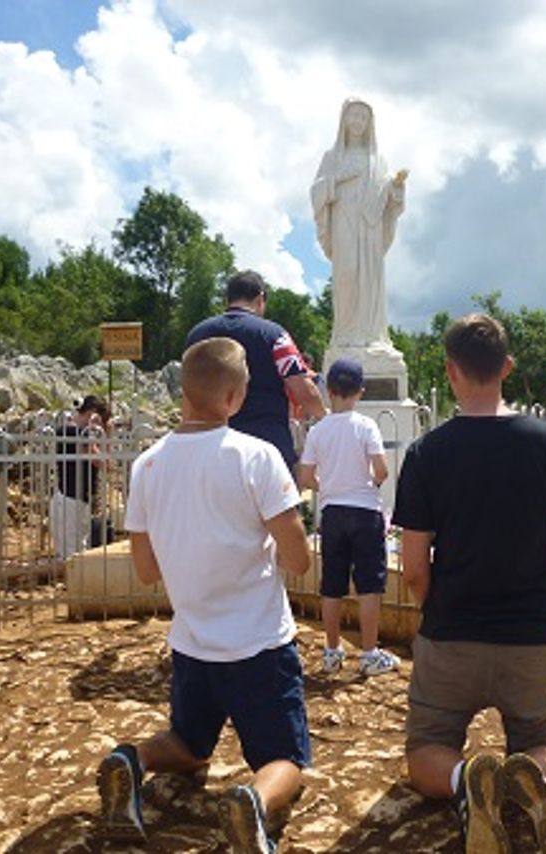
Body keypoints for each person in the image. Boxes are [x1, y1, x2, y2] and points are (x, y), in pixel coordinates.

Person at [96, 338, 312, 851]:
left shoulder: (147, 465)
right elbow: (300, 559)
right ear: (236, 396)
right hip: (260, 644)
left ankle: (133, 759)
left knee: (189, 746)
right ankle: (253, 802)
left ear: (184, 391)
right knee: (287, 762)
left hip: (193, 644)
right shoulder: (258, 457)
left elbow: (146, 571)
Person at [393, 314, 546, 854]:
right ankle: (528, 782)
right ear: (506, 367)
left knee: (427, 751)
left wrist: (436, 608)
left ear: (451, 371)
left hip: (452, 629)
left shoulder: (426, 453)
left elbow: (412, 566)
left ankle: (465, 783)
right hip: (531, 634)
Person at [296, 358, 398, 677]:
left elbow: (306, 476)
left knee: (333, 584)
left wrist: (327, 486)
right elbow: (381, 469)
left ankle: (331, 650)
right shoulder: (366, 425)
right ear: (360, 392)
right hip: (364, 509)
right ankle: (368, 653)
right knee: (369, 584)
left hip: (333, 511)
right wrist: (371, 483)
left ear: (329, 390)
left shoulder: (319, 430)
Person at [186, 270, 326, 470]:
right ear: (260, 299)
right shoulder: (275, 336)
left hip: (209, 447)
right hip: (267, 445)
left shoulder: (197, 335)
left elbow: (188, 394)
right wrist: (326, 418)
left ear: (227, 299)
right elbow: (303, 389)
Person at [310, 98, 407, 349]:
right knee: (348, 273)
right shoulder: (332, 157)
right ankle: (346, 334)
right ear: (344, 119)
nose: (358, 122)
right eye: (354, 116)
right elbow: (316, 192)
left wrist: (396, 187)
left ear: (370, 123)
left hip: (370, 226)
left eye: (363, 117)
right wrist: (340, 178)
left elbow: (389, 198)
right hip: (344, 221)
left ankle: (371, 335)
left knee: (370, 277)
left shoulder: (378, 159)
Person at [49, 395, 111, 561]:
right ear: (91, 413)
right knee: (71, 556)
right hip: (69, 500)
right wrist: (97, 434)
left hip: (78, 500)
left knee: (78, 551)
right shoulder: (70, 432)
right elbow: (100, 460)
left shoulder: (80, 433)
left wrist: (103, 434)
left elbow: (106, 462)